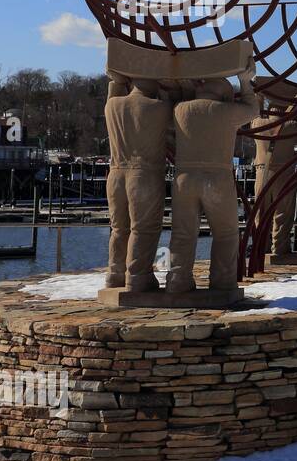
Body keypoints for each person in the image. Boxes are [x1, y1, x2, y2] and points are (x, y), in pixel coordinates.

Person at [166, 64, 259, 293]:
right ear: (225, 94)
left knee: (182, 234)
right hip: (217, 178)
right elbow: (253, 110)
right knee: (226, 233)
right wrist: (246, 82)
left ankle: (177, 281)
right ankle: (223, 282)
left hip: (184, 178)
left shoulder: (179, 108)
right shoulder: (226, 111)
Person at [103, 73, 172, 290]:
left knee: (118, 228)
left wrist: (117, 80)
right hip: (144, 174)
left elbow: (114, 90)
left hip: (115, 175)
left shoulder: (112, 105)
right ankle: (137, 275)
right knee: (144, 228)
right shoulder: (160, 108)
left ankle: (115, 273)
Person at [250, 100, 297, 258]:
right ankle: (279, 248)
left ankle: (260, 247)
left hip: (261, 173)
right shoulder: (291, 125)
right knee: (282, 213)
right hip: (284, 173)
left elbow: (252, 111)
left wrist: (258, 98)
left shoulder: (257, 123)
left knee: (260, 213)